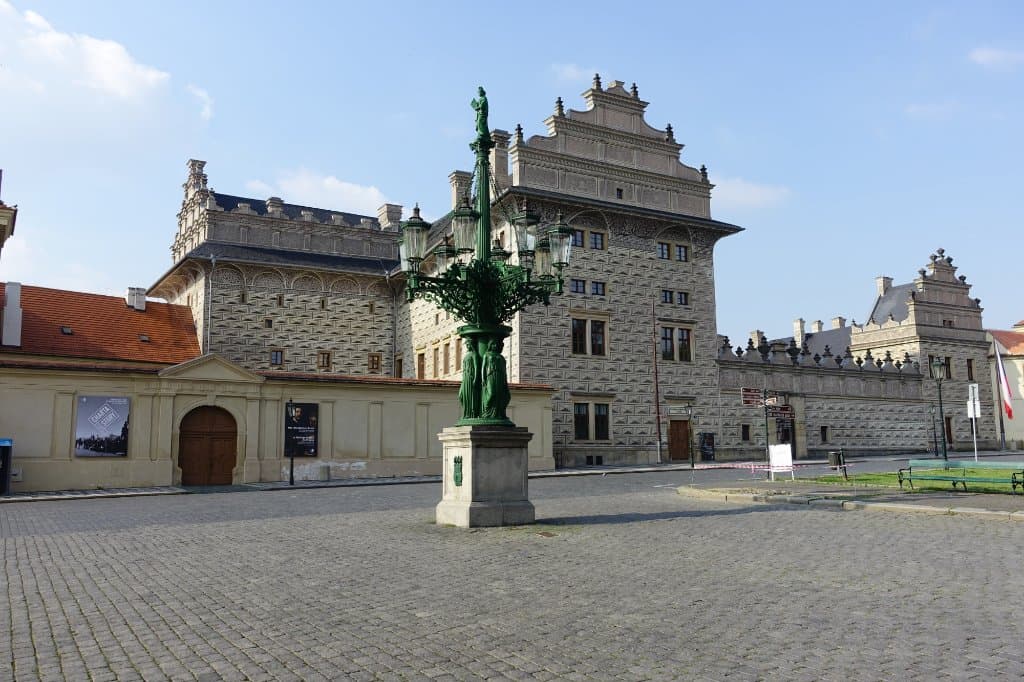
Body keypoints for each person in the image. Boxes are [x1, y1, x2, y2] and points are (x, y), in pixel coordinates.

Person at [481, 339, 510, 420]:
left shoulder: (501, 357)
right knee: (491, 394)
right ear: (490, 345)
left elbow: (504, 370)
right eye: (493, 344)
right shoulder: (486, 355)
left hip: (500, 376)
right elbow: (483, 368)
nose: (495, 346)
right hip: (490, 376)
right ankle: (487, 412)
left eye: (496, 344)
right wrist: (483, 379)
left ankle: (499, 413)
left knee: (500, 395)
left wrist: (505, 381)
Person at [458, 340, 481, 419]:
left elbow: (476, 367)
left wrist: (475, 378)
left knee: (471, 396)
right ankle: (466, 413)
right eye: (466, 344)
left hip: (471, 377)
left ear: (472, 345)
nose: (467, 346)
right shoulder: (467, 355)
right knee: (461, 395)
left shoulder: (474, 354)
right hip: (465, 377)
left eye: (469, 344)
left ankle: (471, 413)